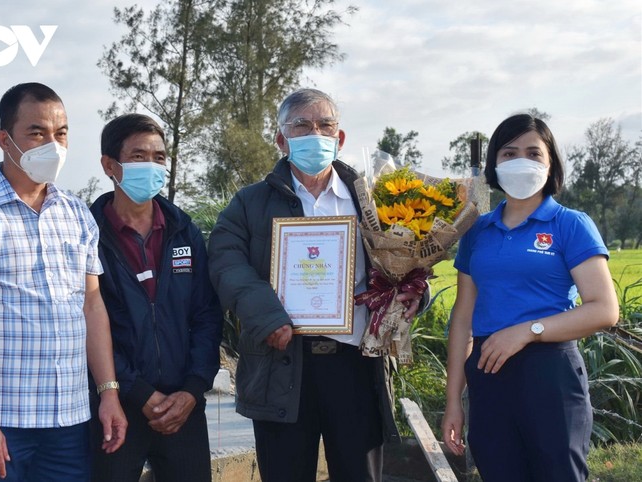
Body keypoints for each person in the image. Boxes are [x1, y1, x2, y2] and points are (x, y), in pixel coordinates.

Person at [208, 88, 423, 482]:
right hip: (281, 365)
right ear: (280, 139)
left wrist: (413, 295)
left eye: (325, 125)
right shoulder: (250, 204)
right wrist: (267, 317)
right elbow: (226, 264)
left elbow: (406, 266)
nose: (315, 134)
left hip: (356, 367)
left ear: (339, 139)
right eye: (302, 126)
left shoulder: (373, 201)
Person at [0, 82, 127, 481]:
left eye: (61, 133)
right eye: (37, 132)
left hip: (68, 422)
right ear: (5, 139)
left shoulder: (76, 215)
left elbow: (91, 306)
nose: (52, 144)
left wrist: (109, 393)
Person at [441, 114, 619, 482]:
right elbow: (462, 317)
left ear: (550, 162)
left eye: (533, 153)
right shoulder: (477, 230)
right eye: (509, 153)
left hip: (549, 373)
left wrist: (527, 331)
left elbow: (604, 309)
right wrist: (453, 402)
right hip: (488, 374)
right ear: (494, 163)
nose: (521, 161)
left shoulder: (570, 224)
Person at [88, 113, 223, 481]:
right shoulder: (86, 235)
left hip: (184, 409)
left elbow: (206, 314)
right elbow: (86, 321)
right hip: (116, 407)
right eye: (138, 156)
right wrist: (138, 392)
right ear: (109, 165)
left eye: (159, 157)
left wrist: (193, 390)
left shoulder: (184, 232)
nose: (151, 165)